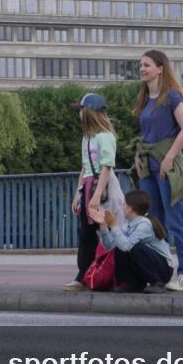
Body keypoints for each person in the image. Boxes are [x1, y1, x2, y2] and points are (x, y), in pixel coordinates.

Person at [131, 50, 183, 291]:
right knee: (154, 222)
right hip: (149, 166)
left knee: (177, 220)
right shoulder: (145, 99)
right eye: (140, 65)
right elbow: (147, 134)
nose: (142, 69)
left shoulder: (172, 96)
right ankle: (161, 273)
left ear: (160, 68)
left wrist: (169, 158)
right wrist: (139, 154)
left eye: (146, 65)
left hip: (167, 167)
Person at [65, 92, 124, 291]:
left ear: (90, 112)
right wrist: (78, 193)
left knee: (106, 228)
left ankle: (115, 273)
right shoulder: (87, 137)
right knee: (85, 233)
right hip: (89, 185)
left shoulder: (105, 136)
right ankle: (84, 274)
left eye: (82, 110)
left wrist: (97, 195)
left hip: (103, 186)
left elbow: (106, 166)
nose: (80, 115)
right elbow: (85, 166)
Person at [88, 190, 174, 293]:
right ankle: (132, 283)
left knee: (135, 248)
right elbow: (110, 246)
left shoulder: (144, 224)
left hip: (164, 270)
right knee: (120, 247)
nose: (122, 206)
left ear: (130, 208)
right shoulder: (127, 223)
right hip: (151, 266)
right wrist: (103, 225)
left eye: (124, 204)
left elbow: (126, 246)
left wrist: (114, 226)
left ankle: (157, 283)